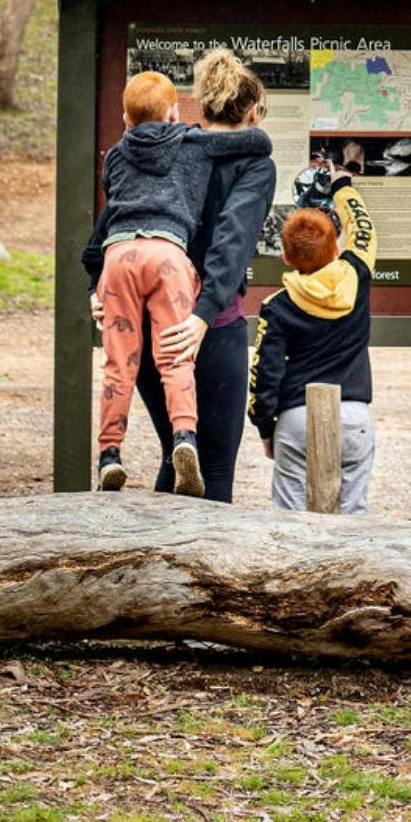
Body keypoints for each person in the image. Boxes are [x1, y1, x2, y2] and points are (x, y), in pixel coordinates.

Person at [84, 51, 276, 501]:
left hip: (150, 326)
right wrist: (203, 316)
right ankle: (197, 571)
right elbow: (232, 241)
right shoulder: (250, 165)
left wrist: (98, 289)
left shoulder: (168, 150)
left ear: (199, 108)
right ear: (252, 112)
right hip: (210, 326)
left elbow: (109, 230)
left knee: (175, 460)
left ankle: (148, 558)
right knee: (215, 472)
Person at [248, 171, 378, 513]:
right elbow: (364, 231)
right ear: (336, 249)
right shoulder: (356, 276)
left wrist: (265, 427)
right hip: (353, 414)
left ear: (287, 259)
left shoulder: (277, 307)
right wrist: (343, 187)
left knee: (288, 522)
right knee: (353, 518)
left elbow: (265, 373)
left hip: (296, 417)